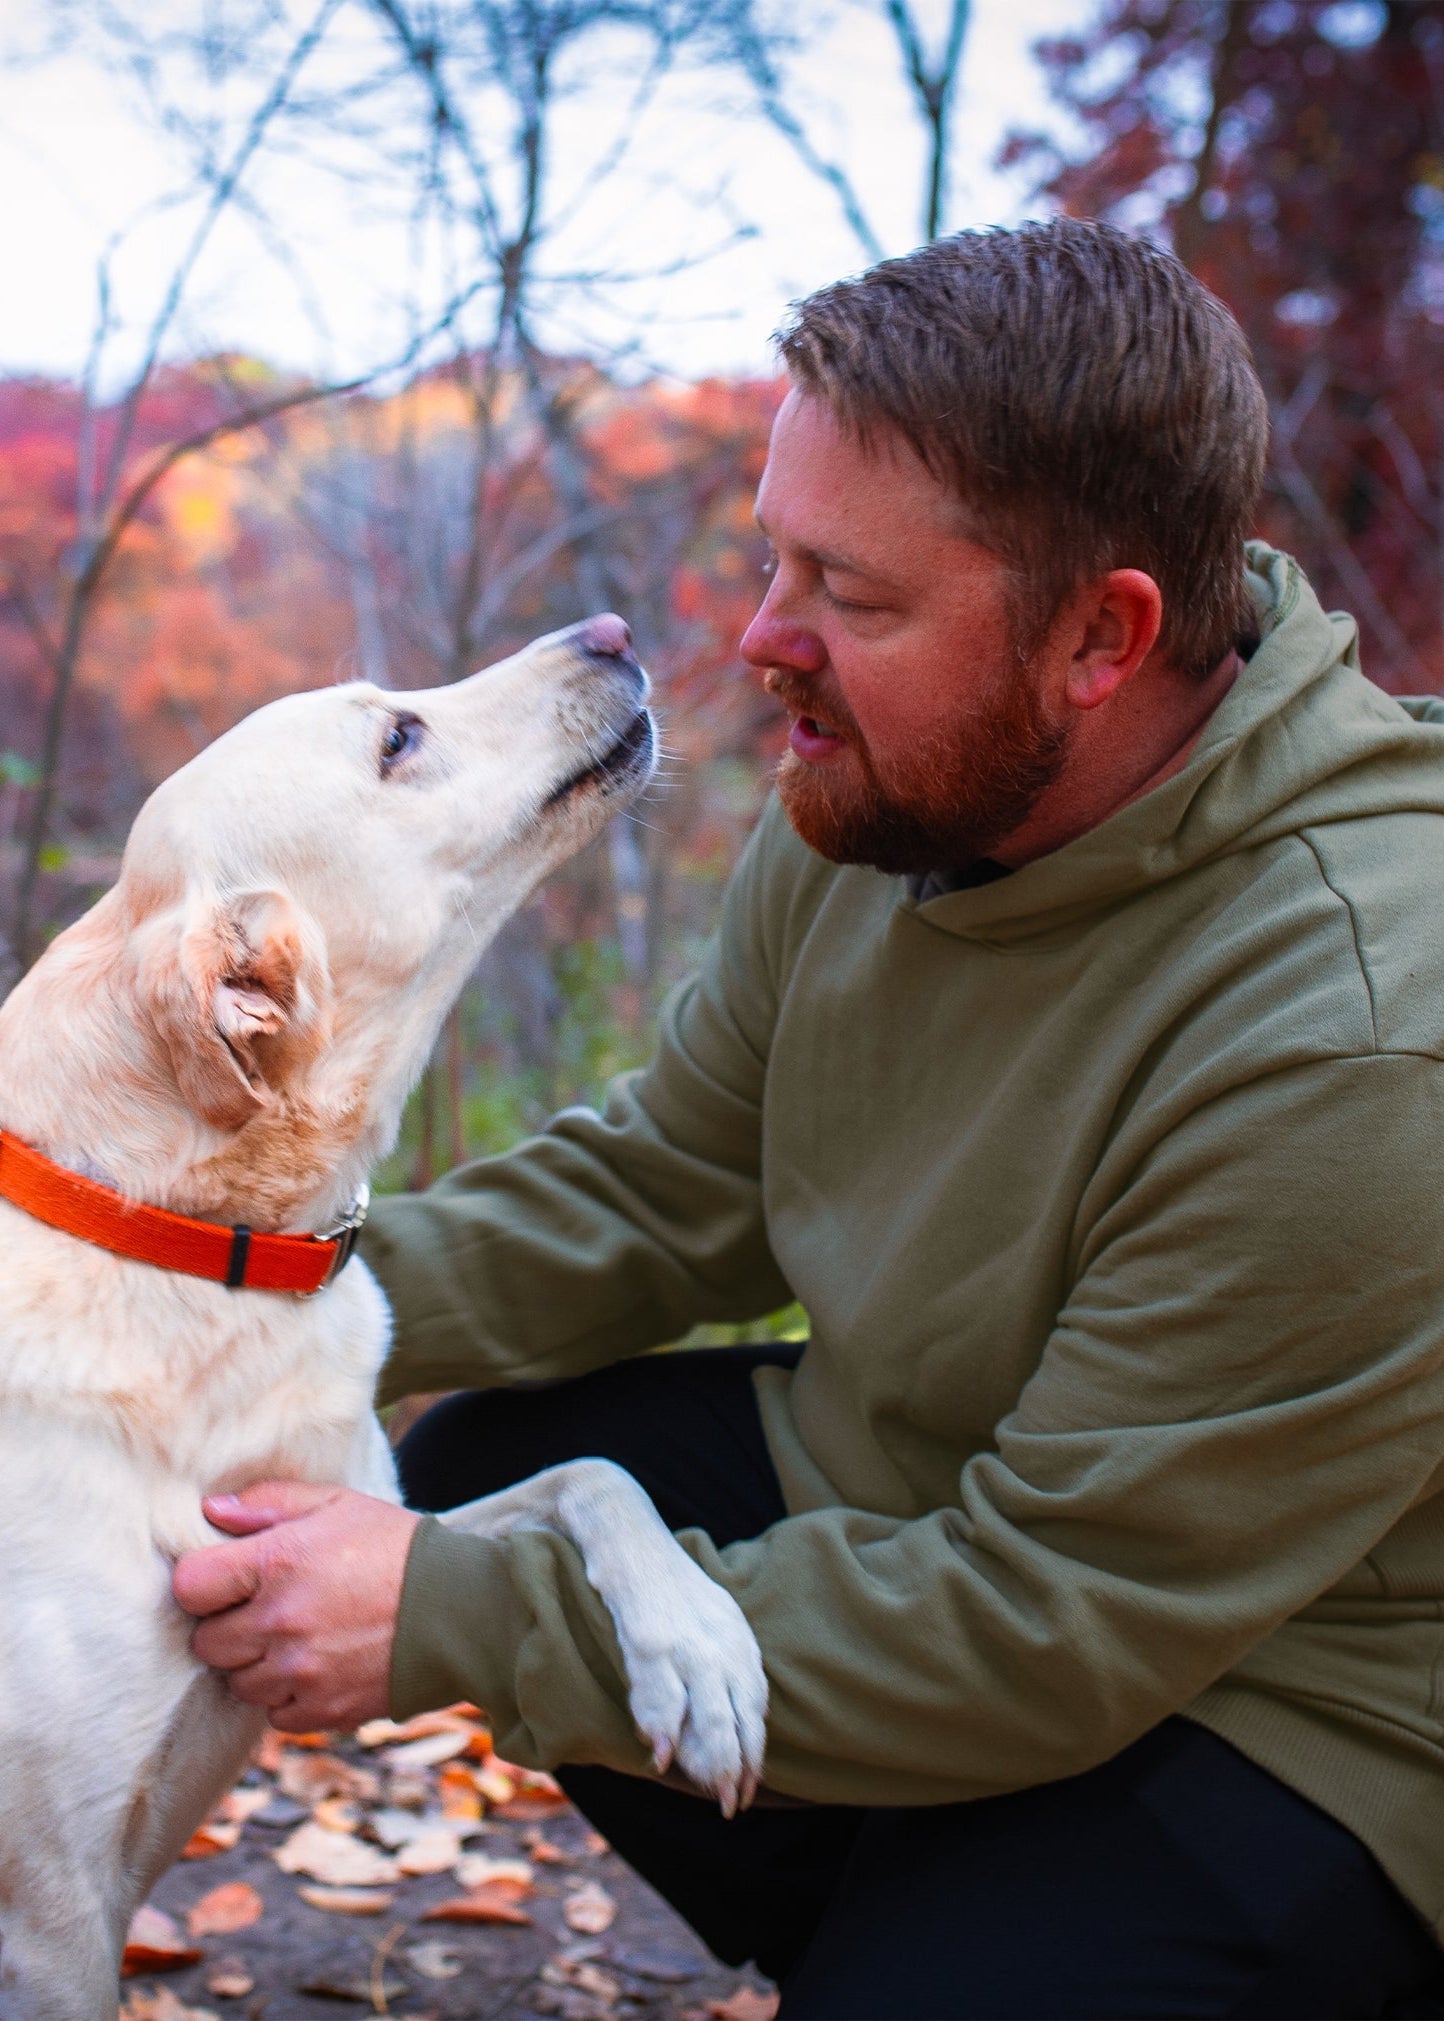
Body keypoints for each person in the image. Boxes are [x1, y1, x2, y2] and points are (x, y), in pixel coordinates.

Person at [173, 220, 1444, 2018]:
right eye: (773, 554)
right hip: (936, 1497)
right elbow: (669, 1182)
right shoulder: (890, 782)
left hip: (1279, 1699)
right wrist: (204, 1273)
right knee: (474, 1470)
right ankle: (908, 1914)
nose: (764, 641)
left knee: (488, 1574)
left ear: (1104, 636)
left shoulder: (1358, 1036)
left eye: (849, 594)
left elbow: (1051, 1614)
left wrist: (452, 1615)